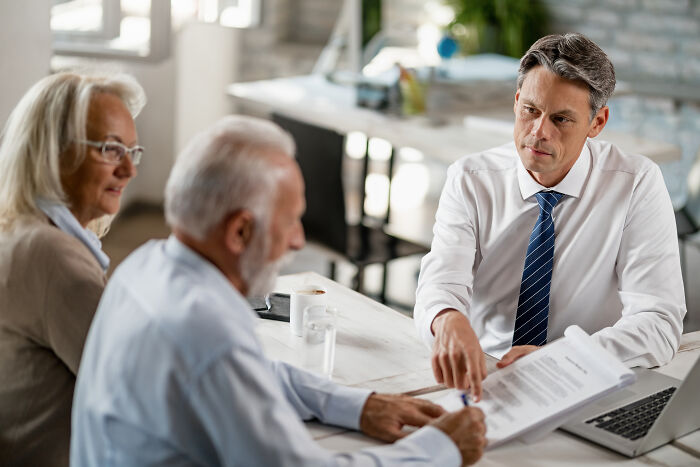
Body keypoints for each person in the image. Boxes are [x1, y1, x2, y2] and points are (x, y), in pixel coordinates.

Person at [71, 115, 487, 466]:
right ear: (239, 231)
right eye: (290, 221)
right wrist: (440, 449)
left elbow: (256, 375)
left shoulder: (143, 267)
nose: (298, 242)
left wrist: (356, 405)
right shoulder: (207, 335)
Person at [414, 33, 686, 400]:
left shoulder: (635, 183)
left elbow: (659, 323)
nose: (539, 132)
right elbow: (440, 281)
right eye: (530, 111)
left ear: (597, 123)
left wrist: (561, 358)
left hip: (585, 378)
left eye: (561, 119)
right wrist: (446, 318)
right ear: (515, 103)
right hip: (488, 374)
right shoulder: (471, 179)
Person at [0, 69, 145, 466]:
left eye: (132, 152)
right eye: (111, 149)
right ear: (55, 151)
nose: (129, 170)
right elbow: (136, 400)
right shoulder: (54, 258)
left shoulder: (20, 228)